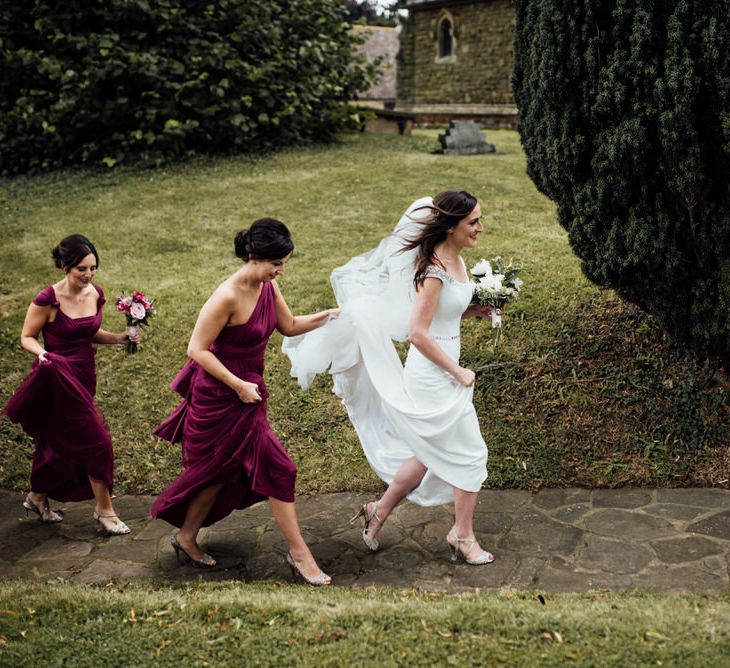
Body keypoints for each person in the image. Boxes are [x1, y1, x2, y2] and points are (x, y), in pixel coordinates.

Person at [284, 190, 494, 565]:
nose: (481, 227)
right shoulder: (432, 271)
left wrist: (470, 311)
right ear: (450, 226)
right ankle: (462, 536)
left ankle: (377, 511)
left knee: (426, 454)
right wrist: (457, 371)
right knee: (470, 454)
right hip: (432, 374)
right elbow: (417, 333)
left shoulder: (456, 260)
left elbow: (437, 316)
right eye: (473, 221)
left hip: (444, 367)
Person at [151, 219, 337, 585]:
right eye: (277, 263)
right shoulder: (227, 295)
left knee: (221, 473)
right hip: (220, 394)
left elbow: (290, 325)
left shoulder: (269, 286)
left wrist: (331, 316)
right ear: (254, 256)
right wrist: (237, 385)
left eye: (285, 262)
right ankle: (300, 555)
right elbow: (196, 349)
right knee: (278, 469)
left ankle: (186, 537)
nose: (281, 270)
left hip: (251, 392)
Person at [3, 234, 138, 535]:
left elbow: (89, 332)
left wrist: (119, 338)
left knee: (57, 440)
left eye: (92, 268)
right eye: (81, 269)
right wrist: (42, 354)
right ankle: (105, 511)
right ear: (64, 266)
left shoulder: (95, 293)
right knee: (96, 440)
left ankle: (37, 496)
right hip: (56, 375)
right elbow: (26, 336)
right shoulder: (47, 300)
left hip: (84, 375)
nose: (88, 275)